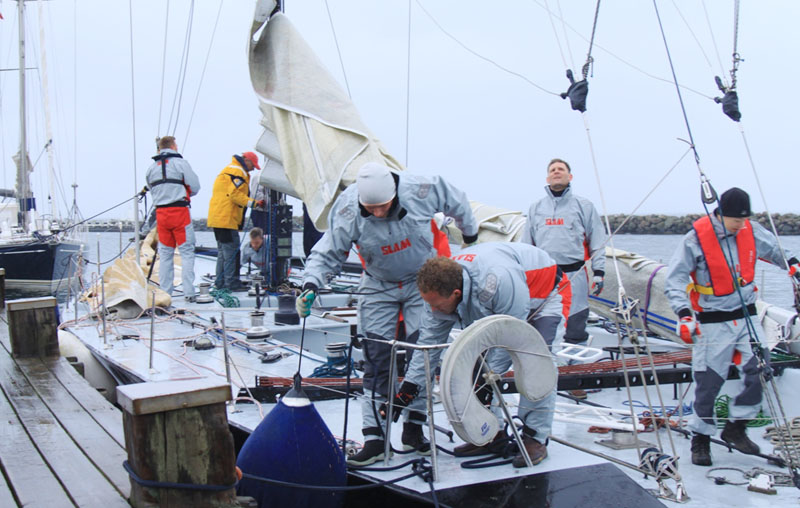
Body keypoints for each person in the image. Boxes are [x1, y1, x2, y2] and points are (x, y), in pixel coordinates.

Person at [295, 162, 479, 466]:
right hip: (378, 284)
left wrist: (470, 235)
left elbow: (457, 200)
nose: (378, 214)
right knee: (377, 359)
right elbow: (328, 252)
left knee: (423, 355)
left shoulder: (422, 188)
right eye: (371, 209)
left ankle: (414, 428)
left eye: (383, 207)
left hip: (424, 279)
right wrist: (310, 284)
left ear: (394, 194)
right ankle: (375, 438)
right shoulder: (346, 210)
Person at [392, 242, 571, 467]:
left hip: (545, 296)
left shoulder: (497, 281)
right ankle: (490, 434)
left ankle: (535, 437)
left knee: (536, 362)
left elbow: (510, 336)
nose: (433, 310)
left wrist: (488, 380)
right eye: (430, 305)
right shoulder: (436, 295)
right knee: (475, 363)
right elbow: (428, 346)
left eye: (437, 306)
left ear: (456, 294)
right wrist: (408, 389)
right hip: (504, 301)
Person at [664, 187, 800, 466]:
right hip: (713, 320)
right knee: (709, 380)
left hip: (747, 315)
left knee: (760, 368)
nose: (741, 225)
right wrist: (684, 314)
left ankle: (736, 428)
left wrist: (794, 267)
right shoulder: (695, 240)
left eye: (744, 219)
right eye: (736, 220)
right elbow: (674, 280)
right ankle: (700, 439)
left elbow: (776, 251)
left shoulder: (750, 230)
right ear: (721, 214)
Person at [522, 158, 606, 398]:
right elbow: (526, 244)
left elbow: (598, 240)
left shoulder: (584, 206)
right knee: (541, 326)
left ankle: (574, 379)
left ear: (570, 176)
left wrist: (599, 272)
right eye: (552, 170)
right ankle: (541, 378)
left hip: (575, 275)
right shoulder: (535, 208)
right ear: (547, 178)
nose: (556, 172)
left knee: (576, 327)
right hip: (545, 276)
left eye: (561, 169)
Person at [144, 136, 201, 301]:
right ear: (174, 146)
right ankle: (189, 293)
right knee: (187, 252)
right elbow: (195, 186)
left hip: (161, 215)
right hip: (179, 213)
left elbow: (150, 187)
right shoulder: (181, 164)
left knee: (166, 253)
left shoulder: (151, 168)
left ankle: (165, 293)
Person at [207, 151, 265, 291]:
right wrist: (255, 203)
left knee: (222, 253)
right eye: (253, 165)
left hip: (217, 218)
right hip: (227, 219)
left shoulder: (228, 169)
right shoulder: (238, 172)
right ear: (247, 160)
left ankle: (220, 283)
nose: (252, 169)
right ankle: (232, 284)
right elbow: (235, 194)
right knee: (232, 253)